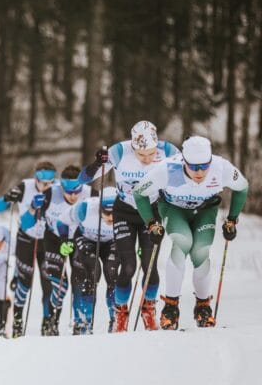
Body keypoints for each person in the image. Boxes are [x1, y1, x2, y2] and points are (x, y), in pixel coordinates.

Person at [132, 136, 248, 330]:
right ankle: (170, 307)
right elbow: (139, 192)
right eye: (194, 167)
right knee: (183, 242)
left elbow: (242, 187)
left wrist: (232, 219)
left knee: (201, 250)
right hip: (173, 210)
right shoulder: (167, 169)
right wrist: (151, 223)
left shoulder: (221, 168)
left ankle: (203, 307)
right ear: (184, 161)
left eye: (204, 166)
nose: (200, 172)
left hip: (205, 211)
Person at [79, 121, 180, 332]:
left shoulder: (168, 150)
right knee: (128, 267)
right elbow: (83, 178)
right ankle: (120, 311)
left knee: (149, 266)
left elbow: (187, 173)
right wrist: (98, 163)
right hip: (124, 211)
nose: (147, 159)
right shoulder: (119, 151)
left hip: (151, 213)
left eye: (151, 154)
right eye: (142, 155)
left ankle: (148, 307)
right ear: (133, 147)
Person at [29, 165, 93, 336]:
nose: (73, 196)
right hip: (54, 240)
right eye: (68, 192)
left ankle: (80, 322)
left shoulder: (90, 193)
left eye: (76, 191)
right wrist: (34, 209)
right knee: (59, 285)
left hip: (79, 238)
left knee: (80, 281)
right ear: (61, 187)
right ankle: (52, 321)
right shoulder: (50, 193)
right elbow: (31, 218)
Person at [0, 161, 56, 338]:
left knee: (48, 284)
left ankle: (47, 322)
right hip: (26, 239)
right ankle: (18, 321)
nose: (47, 187)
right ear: (36, 178)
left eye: (51, 183)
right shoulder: (25, 187)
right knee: (24, 283)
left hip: (47, 241)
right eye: (44, 183)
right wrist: (7, 198)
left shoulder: (56, 190)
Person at [58, 187, 119, 335]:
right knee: (93, 271)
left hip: (111, 242)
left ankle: (116, 319)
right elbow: (61, 221)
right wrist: (64, 240)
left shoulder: (125, 209)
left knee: (112, 274)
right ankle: (84, 321)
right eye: (106, 213)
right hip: (86, 240)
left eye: (114, 213)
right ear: (99, 208)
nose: (110, 218)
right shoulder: (85, 208)